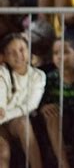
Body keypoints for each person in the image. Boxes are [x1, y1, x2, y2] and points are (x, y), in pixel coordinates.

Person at [41, 37, 74, 168]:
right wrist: (44, 107)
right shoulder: (49, 78)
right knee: (51, 114)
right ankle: (64, 165)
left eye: (65, 52)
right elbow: (41, 103)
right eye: (56, 53)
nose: (60, 57)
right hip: (59, 123)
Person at [0, 33, 46, 168]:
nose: (18, 55)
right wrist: (1, 107)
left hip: (15, 120)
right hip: (2, 123)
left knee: (23, 122)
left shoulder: (38, 75)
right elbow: (1, 92)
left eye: (21, 49)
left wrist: (4, 115)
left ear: (29, 50)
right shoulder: (2, 72)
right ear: (5, 57)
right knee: (2, 150)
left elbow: (32, 104)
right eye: (11, 52)